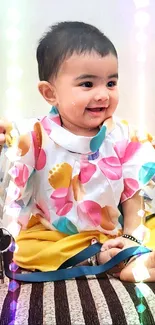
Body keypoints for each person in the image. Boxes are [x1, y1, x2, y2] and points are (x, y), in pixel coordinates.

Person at [0, 21, 155, 282]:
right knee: (27, 249)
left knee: (147, 223)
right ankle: (108, 259)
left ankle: (130, 256)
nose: (103, 95)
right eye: (87, 84)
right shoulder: (35, 135)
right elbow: (10, 140)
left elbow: (133, 195)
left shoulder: (123, 136)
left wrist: (130, 237)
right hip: (58, 234)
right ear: (50, 93)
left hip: (115, 229)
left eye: (111, 82)